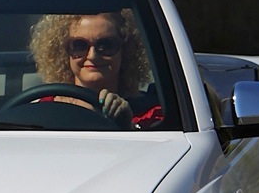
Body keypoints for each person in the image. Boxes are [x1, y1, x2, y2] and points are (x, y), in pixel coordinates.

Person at [29, 10, 165, 128]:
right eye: (79, 45)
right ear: (63, 52)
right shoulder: (40, 109)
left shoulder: (153, 114)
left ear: (127, 50)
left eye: (106, 45)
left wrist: (128, 126)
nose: (92, 56)